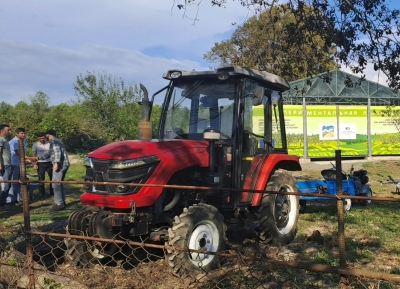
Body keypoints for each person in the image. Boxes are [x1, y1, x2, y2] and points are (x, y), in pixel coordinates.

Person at [45, 129, 70, 211]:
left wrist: (56, 163)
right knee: (60, 183)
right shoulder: (57, 141)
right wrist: (37, 158)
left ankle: (58, 203)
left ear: (47, 135)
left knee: (55, 184)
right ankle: (62, 202)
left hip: (60, 165)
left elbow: (57, 152)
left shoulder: (54, 141)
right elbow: (49, 154)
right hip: (64, 164)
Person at [9, 127, 29, 204]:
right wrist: (31, 158)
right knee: (13, 181)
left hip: (21, 164)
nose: (23, 135)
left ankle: (17, 198)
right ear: (17, 134)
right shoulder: (14, 142)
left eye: (24, 133)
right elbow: (19, 153)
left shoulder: (23, 141)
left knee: (20, 182)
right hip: (14, 164)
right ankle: (10, 200)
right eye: (21, 133)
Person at [0, 124, 12, 207]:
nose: (10, 131)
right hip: (4, 165)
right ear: (2, 131)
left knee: (7, 184)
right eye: (8, 130)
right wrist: (0, 164)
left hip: (7, 164)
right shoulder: (1, 140)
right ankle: (2, 203)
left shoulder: (5, 140)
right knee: (6, 185)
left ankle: (2, 203)